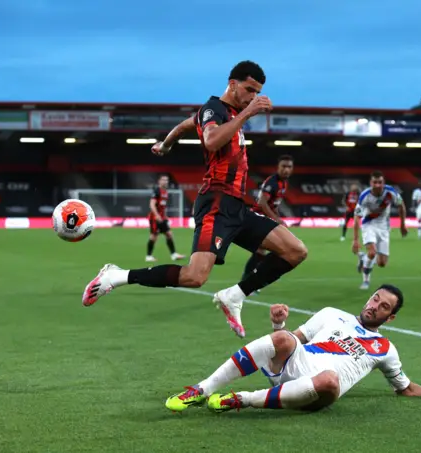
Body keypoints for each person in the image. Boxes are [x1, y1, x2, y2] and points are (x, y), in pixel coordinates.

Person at [81, 60, 308, 339]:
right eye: (249, 90)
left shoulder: (223, 113)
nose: (252, 96)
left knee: (295, 250)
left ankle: (234, 295)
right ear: (232, 84)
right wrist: (248, 112)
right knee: (195, 276)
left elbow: (187, 124)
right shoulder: (215, 109)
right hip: (216, 202)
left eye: (257, 92)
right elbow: (211, 140)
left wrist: (166, 143)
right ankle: (115, 276)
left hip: (237, 204)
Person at [165, 284, 421, 413]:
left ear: (390, 316)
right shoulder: (332, 314)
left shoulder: (386, 348)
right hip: (290, 370)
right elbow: (287, 344)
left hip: (318, 391)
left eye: (383, 307)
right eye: (374, 299)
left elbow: (405, 388)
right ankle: (201, 389)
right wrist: (278, 326)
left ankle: (241, 400)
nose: (374, 307)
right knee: (286, 338)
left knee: (330, 379)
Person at [240, 155, 294, 285]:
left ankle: (252, 279)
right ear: (278, 167)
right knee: (269, 250)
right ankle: (249, 280)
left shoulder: (283, 183)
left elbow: (273, 204)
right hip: (257, 218)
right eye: (283, 166)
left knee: (263, 252)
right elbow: (262, 203)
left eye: (289, 167)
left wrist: (278, 219)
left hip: (265, 219)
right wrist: (276, 219)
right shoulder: (272, 182)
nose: (286, 170)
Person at [352, 171, 407, 290]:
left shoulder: (390, 192)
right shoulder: (364, 196)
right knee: (372, 253)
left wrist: (402, 225)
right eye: (375, 182)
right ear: (370, 183)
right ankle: (366, 280)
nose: (377, 185)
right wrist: (355, 240)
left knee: (382, 263)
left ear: (384, 183)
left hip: (384, 227)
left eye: (380, 182)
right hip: (369, 225)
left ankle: (363, 258)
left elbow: (401, 206)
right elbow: (357, 217)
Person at [145, 175, 185, 262]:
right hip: (155, 218)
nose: (165, 181)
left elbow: (163, 206)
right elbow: (152, 204)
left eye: (166, 180)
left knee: (169, 234)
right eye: (163, 180)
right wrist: (157, 215)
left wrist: (165, 215)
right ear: (159, 181)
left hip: (162, 218)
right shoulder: (157, 191)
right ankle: (148, 256)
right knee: (153, 236)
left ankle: (174, 254)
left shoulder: (165, 192)